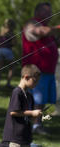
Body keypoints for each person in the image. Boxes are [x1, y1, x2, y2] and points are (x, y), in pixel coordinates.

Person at [2, 64, 42, 147]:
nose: (36, 84)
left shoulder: (28, 95)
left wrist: (35, 115)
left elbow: (26, 114)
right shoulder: (17, 92)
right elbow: (14, 111)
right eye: (34, 81)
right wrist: (32, 112)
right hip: (15, 135)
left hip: (24, 134)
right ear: (26, 77)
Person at [22, 2, 60, 135]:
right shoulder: (31, 23)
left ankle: (37, 124)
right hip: (36, 71)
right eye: (46, 12)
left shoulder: (47, 27)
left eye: (50, 12)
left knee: (42, 101)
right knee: (37, 99)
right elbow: (39, 31)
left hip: (48, 70)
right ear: (37, 11)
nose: (49, 15)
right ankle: (34, 125)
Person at [0, 19, 16, 89]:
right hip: (7, 50)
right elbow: (13, 43)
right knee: (12, 67)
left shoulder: (1, 32)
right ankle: (8, 83)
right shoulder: (11, 33)